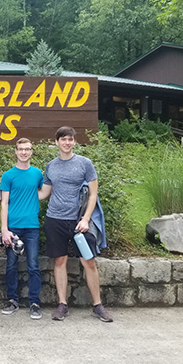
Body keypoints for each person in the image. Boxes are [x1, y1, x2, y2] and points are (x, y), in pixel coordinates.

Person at [41, 126, 113, 322]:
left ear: (74, 142)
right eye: (63, 139)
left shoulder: (85, 163)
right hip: (55, 219)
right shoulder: (51, 166)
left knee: (88, 261)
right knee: (60, 261)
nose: (67, 142)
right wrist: (16, 197)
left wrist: (86, 219)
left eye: (70, 139)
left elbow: (93, 194)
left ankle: (97, 305)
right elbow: (44, 193)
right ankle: (62, 304)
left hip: (79, 222)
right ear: (56, 142)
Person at [0, 138, 44, 320]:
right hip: (13, 227)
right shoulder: (8, 176)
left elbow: (43, 192)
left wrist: (32, 202)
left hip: (32, 226)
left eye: (27, 149)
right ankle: (12, 300)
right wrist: (4, 229)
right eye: (21, 149)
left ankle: (34, 303)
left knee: (33, 266)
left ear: (32, 151)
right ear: (16, 151)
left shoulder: (38, 174)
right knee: (11, 266)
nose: (24, 152)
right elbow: (4, 203)